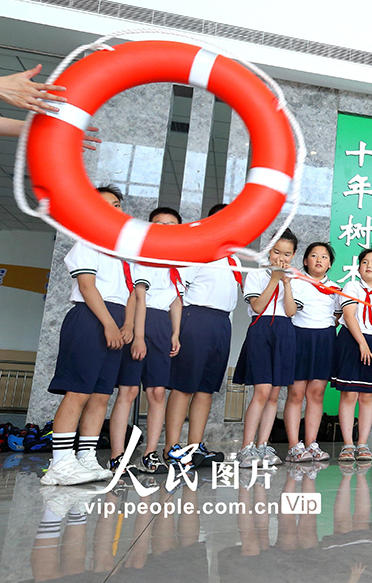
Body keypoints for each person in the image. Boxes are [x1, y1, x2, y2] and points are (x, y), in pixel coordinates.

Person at [41, 185, 128, 486]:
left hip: (114, 321)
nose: (112, 209)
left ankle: (86, 458)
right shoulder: (86, 244)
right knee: (77, 391)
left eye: (116, 204)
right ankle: (61, 463)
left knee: (101, 394)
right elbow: (88, 287)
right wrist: (108, 324)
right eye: (104, 204)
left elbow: (128, 295)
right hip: (91, 318)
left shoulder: (121, 253)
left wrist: (125, 325)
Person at [164, 204, 240, 469]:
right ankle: (172, 447)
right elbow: (178, 289)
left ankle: (194, 448)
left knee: (206, 389)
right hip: (196, 319)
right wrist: (177, 329)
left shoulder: (234, 258)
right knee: (184, 386)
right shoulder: (198, 249)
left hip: (222, 323)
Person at [108, 207, 183, 475]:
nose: (164, 227)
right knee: (128, 391)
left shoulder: (178, 264)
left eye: (171, 224)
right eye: (159, 223)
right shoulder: (143, 258)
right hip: (141, 322)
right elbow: (139, 296)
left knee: (157, 393)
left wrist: (175, 333)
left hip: (162, 326)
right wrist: (138, 337)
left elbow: (176, 301)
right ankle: (118, 457)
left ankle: (151, 454)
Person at [234, 229, 299, 468]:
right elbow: (258, 306)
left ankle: (262, 446)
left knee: (274, 394)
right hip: (261, 331)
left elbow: (291, 311)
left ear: (293, 256)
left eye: (287, 254)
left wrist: (287, 283)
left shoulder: (292, 279)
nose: (281, 258)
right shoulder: (256, 275)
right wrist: (274, 279)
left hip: (285, 333)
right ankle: (246, 448)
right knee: (261, 391)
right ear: (268, 252)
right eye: (276, 252)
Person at [332, 248, 372, 463]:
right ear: (358, 268)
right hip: (352, 340)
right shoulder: (351, 287)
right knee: (349, 394)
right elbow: (349, 316)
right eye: (365, 262)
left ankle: (363, 443)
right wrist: (362, 344)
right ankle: (348, 444)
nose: (369, 265)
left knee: (367, 396)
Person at [284, 242, 339, 463]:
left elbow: (336, 317)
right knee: (296, 394)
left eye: (324, 257)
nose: (318, 259)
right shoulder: (296, 282)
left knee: (316, 394)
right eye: (313, 255)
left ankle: (311, 443)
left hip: (324, 339)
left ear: (329, 264)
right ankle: (293, 446)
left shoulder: (335, 288)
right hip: (299, 337)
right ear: (305, 261)